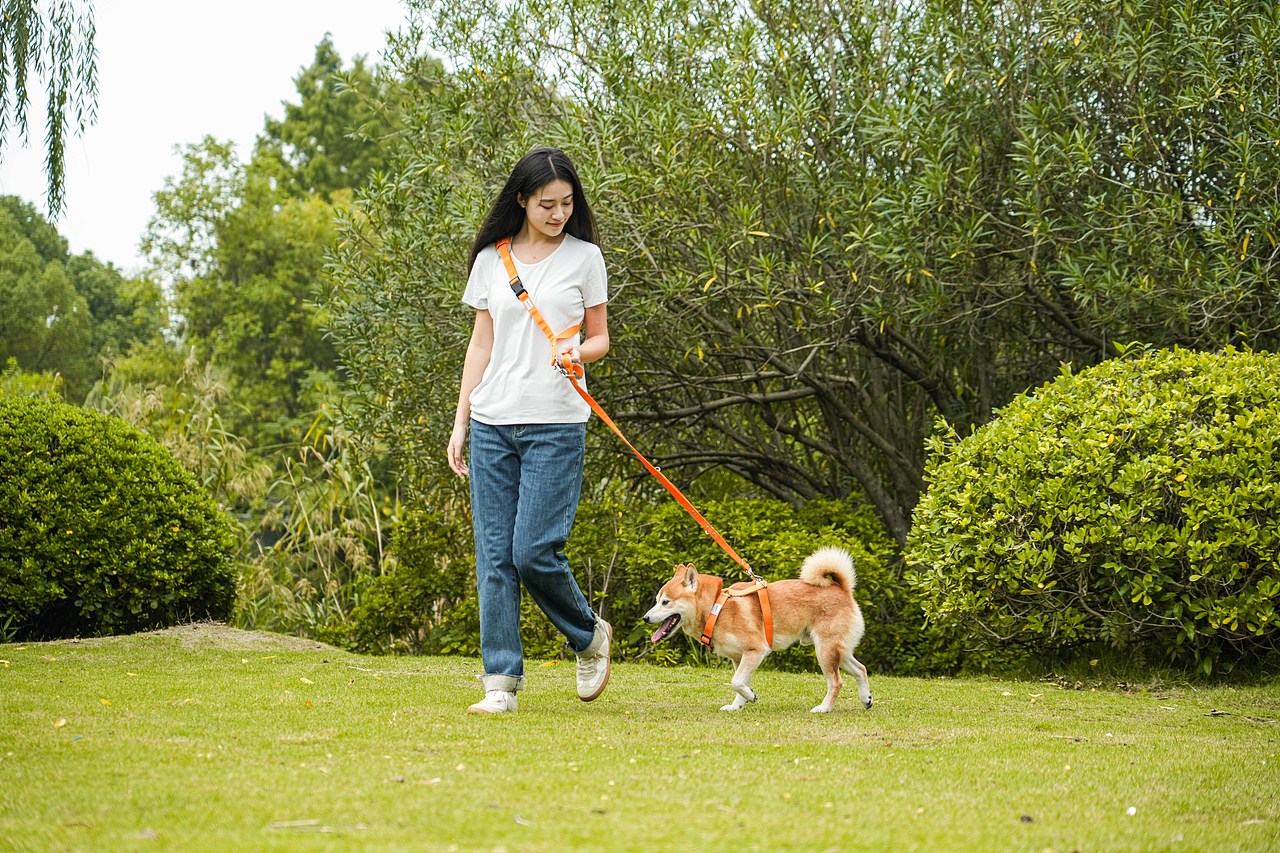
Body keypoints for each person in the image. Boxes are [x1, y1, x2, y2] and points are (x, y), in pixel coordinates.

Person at [446, 147, 612, 715]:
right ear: (521, 200)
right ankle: (500, 684)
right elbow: (480, 345)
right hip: (493, 421)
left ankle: (588, 635)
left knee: (533, 551)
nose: (558, 213)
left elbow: (600, 339)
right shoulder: (492, 261)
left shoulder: (586, 257)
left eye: (567, 203)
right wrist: (461, 421)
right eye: (547, 204)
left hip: (557, 423)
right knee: (494, 555)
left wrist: (576, 351)